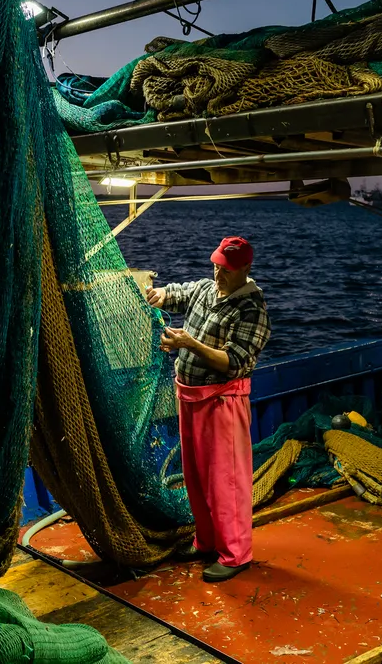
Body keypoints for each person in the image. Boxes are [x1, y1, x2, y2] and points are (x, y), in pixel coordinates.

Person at [146, 236, 271, 583]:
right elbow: (181, 292)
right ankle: (207, 542)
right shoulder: (206, 287)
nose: (218, 273)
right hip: (189, 398)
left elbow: (233, 362)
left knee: (226, 482)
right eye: (216, 264)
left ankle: (235, 555)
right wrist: (159, 294)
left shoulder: (252, 310)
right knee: (197, 479)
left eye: (227, 269)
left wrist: (188, 343)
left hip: (222, 403)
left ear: (245, 268)